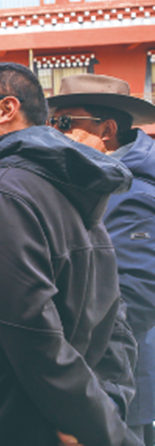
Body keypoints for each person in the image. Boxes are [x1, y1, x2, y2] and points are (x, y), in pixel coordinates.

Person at [0, 62, 139, 446]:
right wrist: (105, 408)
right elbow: (115, 325)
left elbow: (31, 335)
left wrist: (91, 423)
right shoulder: (68, 189)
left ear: (6, 109)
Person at [48, 74, 155, 446]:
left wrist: (77, 370)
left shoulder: (133, 193)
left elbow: (135, 297)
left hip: (112, 376)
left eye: (64, 123)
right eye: (51, 122)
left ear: (106, 130)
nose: (54, 132)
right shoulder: (99, 182)